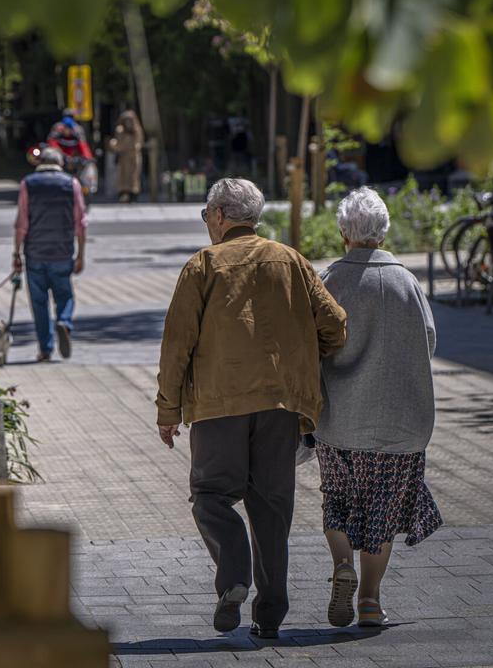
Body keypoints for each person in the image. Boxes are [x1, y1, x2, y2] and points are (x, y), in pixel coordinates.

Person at [155, 178, 347, 640]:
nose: (207, 225)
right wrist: (304, 357)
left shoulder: (203, 265)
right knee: (272, 508)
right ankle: (270, 616)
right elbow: (336, 326)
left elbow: (176, 345)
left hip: (219, 405)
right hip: (282, 405)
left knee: (211, 495)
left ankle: (235, 574)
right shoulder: (292, 260)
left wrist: (167, 410)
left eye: (206, 216)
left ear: (220, 216)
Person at [316, 187, 442, 629]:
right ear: (383, 231)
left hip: (338, 421)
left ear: (343, 231)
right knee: (381, 513)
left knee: (337, 502)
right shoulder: (407, 281)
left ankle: (341, 564)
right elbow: (427, 342)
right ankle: (369, 601)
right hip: (397, 424)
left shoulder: (330, 279)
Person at [14, 146, 88, 362]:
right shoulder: (71, 184)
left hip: (35, 253)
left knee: (39, 303)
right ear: (60, 163)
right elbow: (80, 223)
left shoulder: (27, 184)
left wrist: (16, 253)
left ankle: (45, 349)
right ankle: (64, 322)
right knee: (65, 296)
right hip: (62, 252)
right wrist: (81, 253)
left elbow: (21, 224)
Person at [109, 110, 144, 203]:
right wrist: (114, 144)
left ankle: (133, 194)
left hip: (133, 157)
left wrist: (134, 147)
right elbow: (118, 145)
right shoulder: (120, 130)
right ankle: (124, 194)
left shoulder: (137, 130)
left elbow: (139, 143)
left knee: (133, 176)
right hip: (123, 157)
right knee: (123, 176)